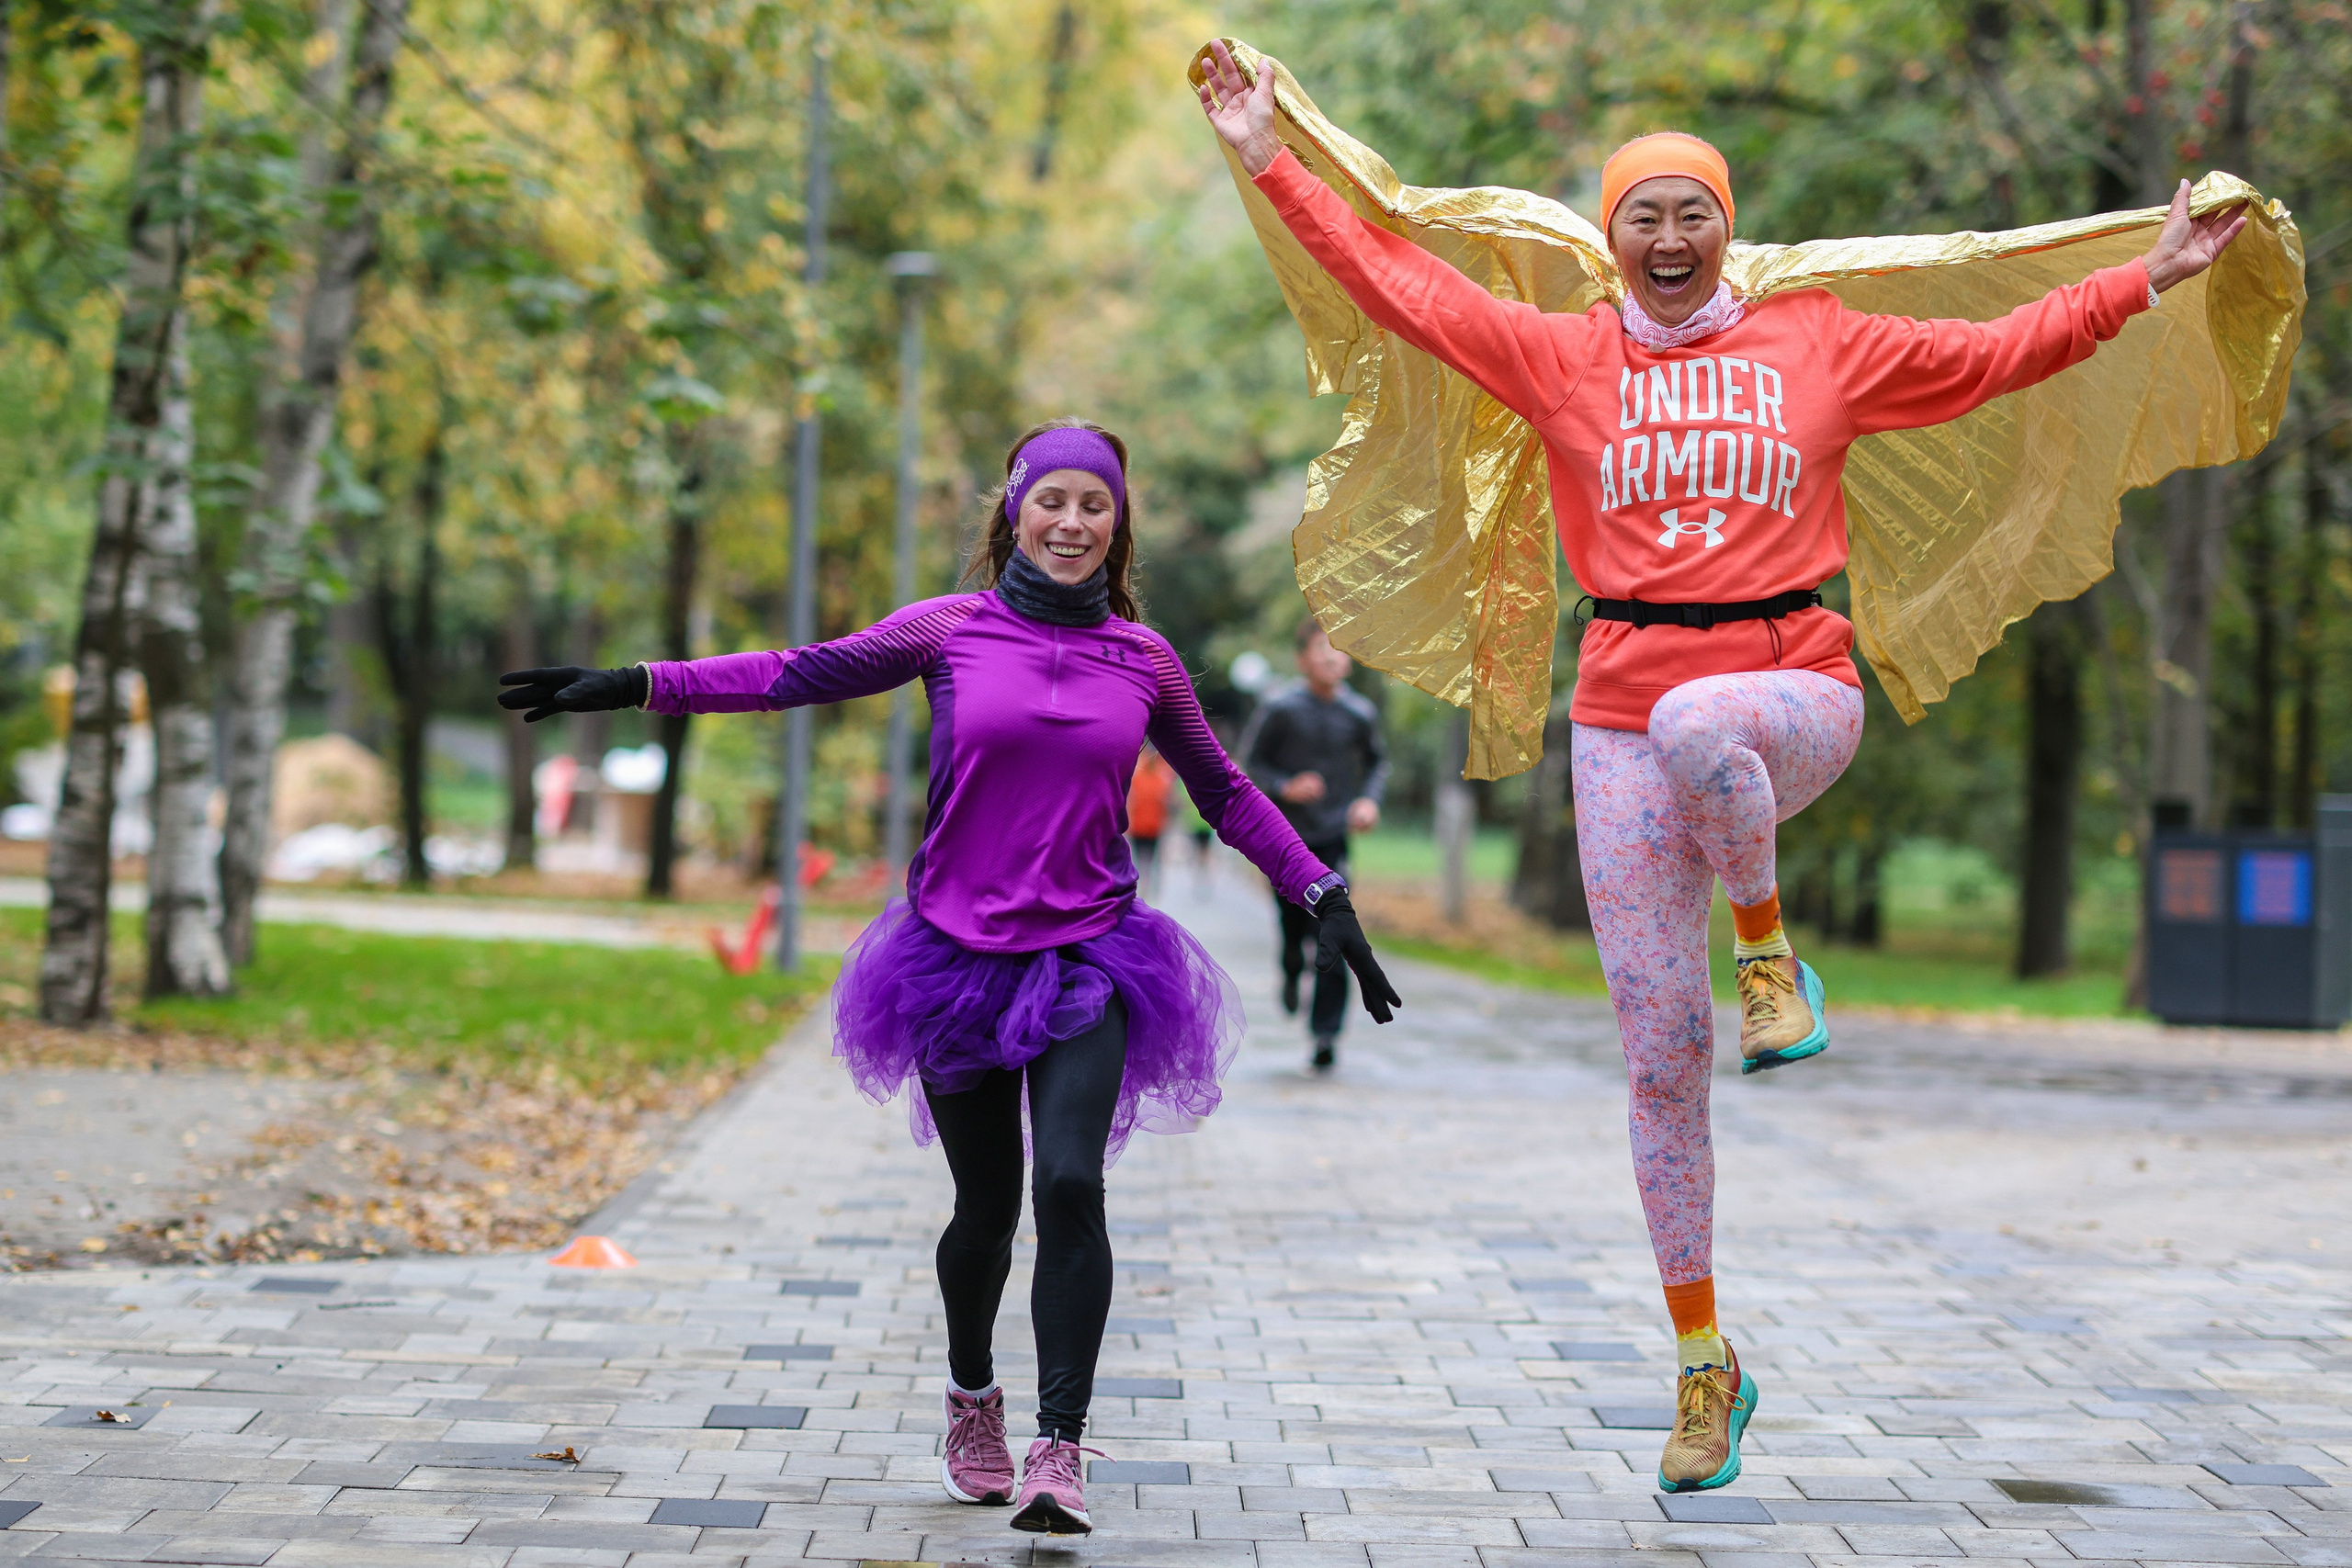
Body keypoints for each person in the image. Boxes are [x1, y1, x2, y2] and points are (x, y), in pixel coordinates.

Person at [1199, 41, 2246, 1495]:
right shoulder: (1566, 357)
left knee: (1703, 720)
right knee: (1656, 1056)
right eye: (1644, 214)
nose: (1671, 234)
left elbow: (2002, 349)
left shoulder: (1819, 343)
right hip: (1618, 725)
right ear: (1613, 235)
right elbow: (1402, 284)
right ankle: (1704, 1362)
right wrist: (1268, 155)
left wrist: (2152, 274)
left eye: (1694, 210)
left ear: (1726, 225)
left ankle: (1768, 953)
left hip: (1792, 692)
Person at [498, 418, 1401, 1536]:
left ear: (1117, 525)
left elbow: (1223, 792)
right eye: (1051, 500)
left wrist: (1321, 893)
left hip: (1091, 956)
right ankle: (973, 1397)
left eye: (1094, 505)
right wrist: (634, 684)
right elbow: (791, 675)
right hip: (954, 959)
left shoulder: (1145, 658)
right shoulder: (949, 629)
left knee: (1069, 1185)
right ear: (1015, 511)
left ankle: (1058, 1448)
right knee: (986, 1207)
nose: (1071, 522)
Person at [1239, 620, 1389, 1070]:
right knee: (1293, 928)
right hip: (1285, 842)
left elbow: (1378, 763)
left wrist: (1368, 801)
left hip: (1333, 837)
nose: (1330, 657)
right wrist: (1285, 786)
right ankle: (1290, 966)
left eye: (1339, 649)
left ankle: (1326, 1033)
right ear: (1302, 659)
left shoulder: (1359, 713)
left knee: (1335, 928)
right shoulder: (1280, 708)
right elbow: (1250, 764)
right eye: (1321, 649)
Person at [1125, 743, 1176, 902]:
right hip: (1143, 825)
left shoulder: (1155, 776)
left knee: (1148, 860)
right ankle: (1145, 889)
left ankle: (1147, 889)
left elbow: (1167, 802)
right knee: (1144, 860)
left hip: (1151, 825)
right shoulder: (1154, 776)